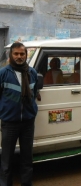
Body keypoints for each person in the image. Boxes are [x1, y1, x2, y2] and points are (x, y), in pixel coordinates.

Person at [0, 42, 38, 186]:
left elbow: (34, 94)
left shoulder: (32, 72)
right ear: (11, 55)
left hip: (28, 123)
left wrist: (31, 112)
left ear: (26, 55)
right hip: (9, 123)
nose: (19, 56)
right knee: (6, 160)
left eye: (22, 54)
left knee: (27, 159)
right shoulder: (3, 73)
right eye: (16, 54)